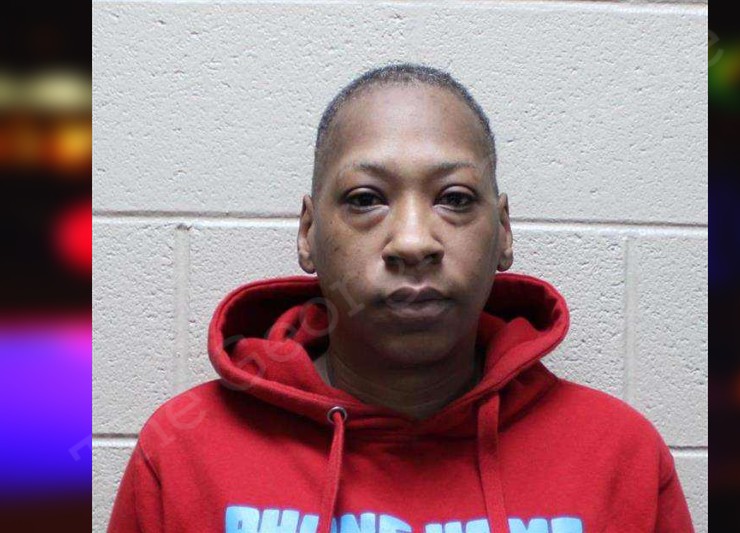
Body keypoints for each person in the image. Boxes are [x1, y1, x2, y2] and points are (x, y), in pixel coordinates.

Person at [108, 63, 694, 532]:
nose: (413, 242)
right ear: (308, 234)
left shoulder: (619, 455)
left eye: (455, 199)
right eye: (366, 199)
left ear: (503, 231)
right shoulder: (185, 451)